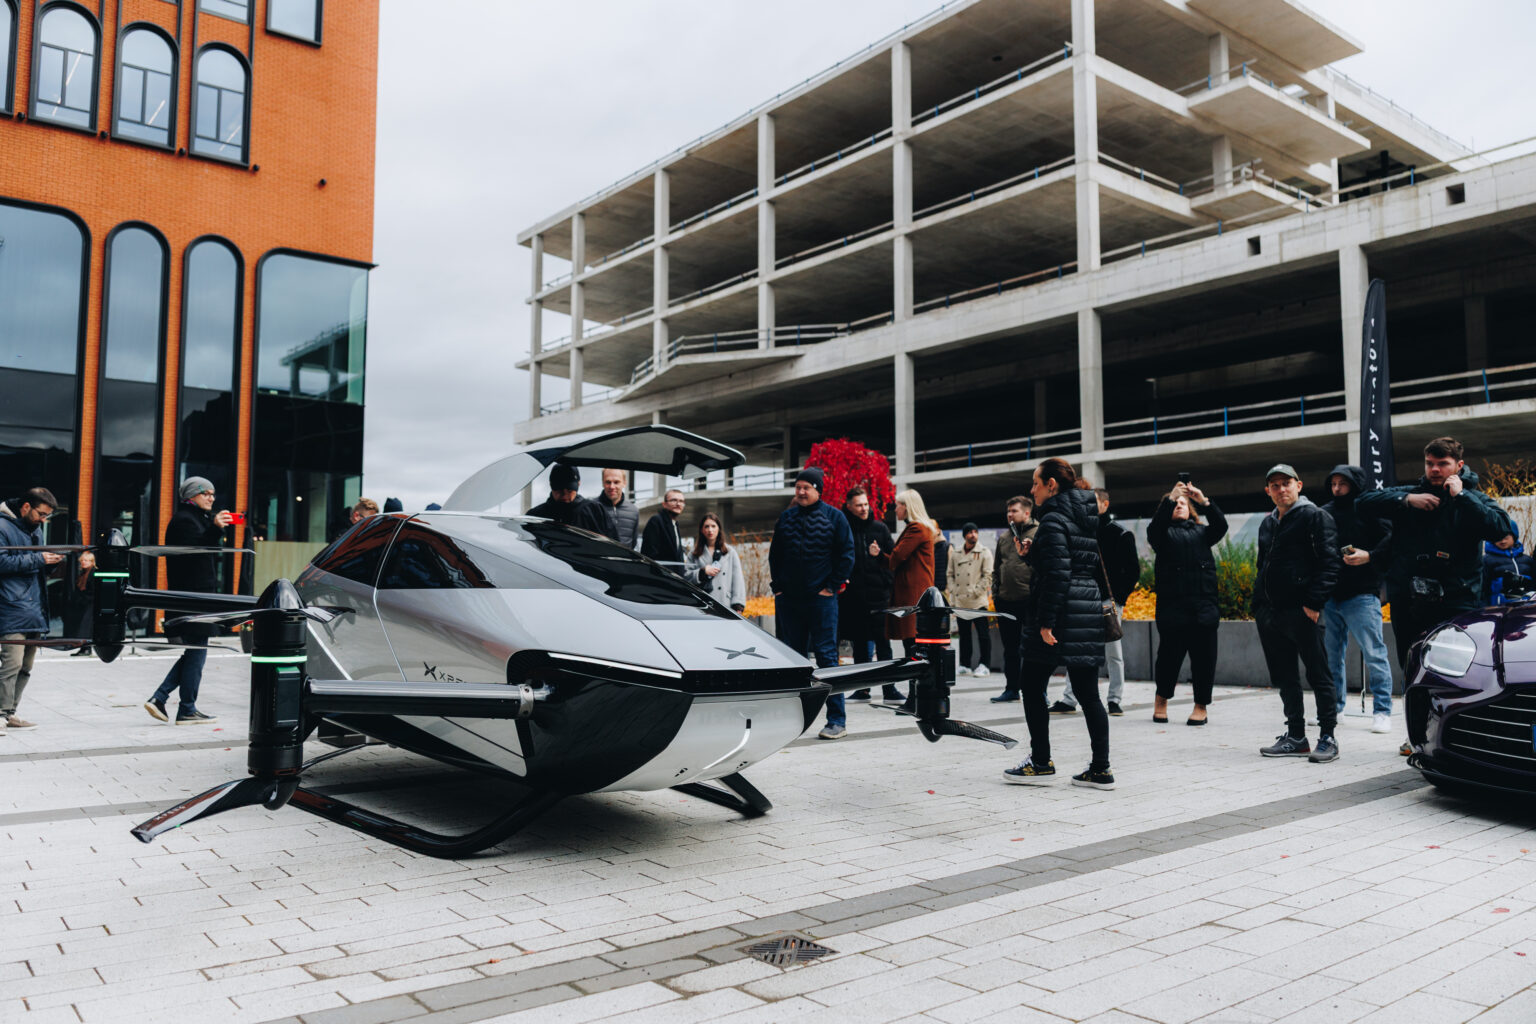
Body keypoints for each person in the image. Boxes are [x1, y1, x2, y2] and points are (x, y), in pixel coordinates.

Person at [1357, 437, 1513, 755]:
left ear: (1459, 465)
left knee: (1458, 671)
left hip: (1456, 601)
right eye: (1430, 463)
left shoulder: (1473, 497)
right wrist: (1406, 500)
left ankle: (1459, 737)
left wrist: (1461, 496)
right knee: (1413, 669)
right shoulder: (1412, 494)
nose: (1435, 470)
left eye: (1443, 464)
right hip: (1410, 601)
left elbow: (1501, 529)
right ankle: (1417, 736)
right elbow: (1363, 503)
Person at [1004, 458, 1113, 789]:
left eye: (1036, 483)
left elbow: (1057, 575)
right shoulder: (1084, 516)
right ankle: (1101, 769)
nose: (1032, 490)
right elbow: (1073, 562)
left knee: (1031, 685)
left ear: (1051, 485)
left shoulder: (1052, 519)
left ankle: (1040, 762)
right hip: (1086, 608)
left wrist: (1046, 622)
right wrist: (1033, 553)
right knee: (1088, 694)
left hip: (1060, 613)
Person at [1253, 464, 1341, 763]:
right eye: (1275, 485)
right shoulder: (1268, 523)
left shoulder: (1315, 516)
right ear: (1268, 491)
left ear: (1298, 485)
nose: (1281, 489)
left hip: (1302, 611)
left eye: (1286, 483)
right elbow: (1262, 565)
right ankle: (1296, 737)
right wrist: (1259, 605)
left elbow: (1330, 563)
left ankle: (1328, 737)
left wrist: (1313, 604)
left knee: (1319, 675)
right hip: (1270, 613)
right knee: (1285, 676)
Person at [769, 468, 855, 739]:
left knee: (827, 658)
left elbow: (847, 554)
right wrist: (778, 588)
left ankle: (837, 720)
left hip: (822, 602)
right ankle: (795, 721)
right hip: (790, 601)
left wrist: (831, 587)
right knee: (794, 661)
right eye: (798, 487)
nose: (801, 491)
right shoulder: (786, 518)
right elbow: (775, 555)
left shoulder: (835, 517)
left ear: (818, 490)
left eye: (806, 487)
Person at [0, 488, 90, 733]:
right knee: (11, 664)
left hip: (33, 608)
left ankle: (9, 712)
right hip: (10, 607)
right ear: (26, 507)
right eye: (41, 514)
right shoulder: (2, 526)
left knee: (26, 667)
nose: (44, 520)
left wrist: (52, 562)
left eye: (47, 516)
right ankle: (0, 713)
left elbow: (35, 567)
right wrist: (40, 560)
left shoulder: (36, 530)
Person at [145, 477, 230, 725]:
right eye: (206, 493)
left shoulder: (195, 518)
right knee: (197, 651)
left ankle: (163, 699)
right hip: (193, 596)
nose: (212, 498)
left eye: (213, 494)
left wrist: (214, 527)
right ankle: (185, 708)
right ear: (192, 495)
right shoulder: (184, 520)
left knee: (195, 651)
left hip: (197, 595)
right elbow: (194, 553)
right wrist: (215, 528)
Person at [1320, 465, 1395, 734]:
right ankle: (1334, 709)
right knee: (1331, 657)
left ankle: (1383, 711)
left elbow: (1391, 540)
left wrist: (1369, 556)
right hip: (1331, 594)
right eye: (1333, 483)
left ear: (1355, 484)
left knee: (1374, 654)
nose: (1337, 488)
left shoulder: (1369, 508)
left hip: (1363, 593)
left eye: (1342, 483)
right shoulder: (1324, 512)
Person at [1146, 481, 1228, 726]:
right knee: (1168, 660)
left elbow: (1221, 526)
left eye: (1183, 503)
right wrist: (1169, 499)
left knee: (1204, 661)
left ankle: (1200, 706)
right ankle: (1161, 700)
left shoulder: (1202, 532)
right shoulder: (1161, 534)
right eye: (1175, 503)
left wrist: (1204, 501)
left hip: (1204, 608)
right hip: (1173, 610)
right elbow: (1154, 530)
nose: (1179, 505)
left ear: (1190, 509)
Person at [1052, 487, 1137, 717]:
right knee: (1076, 649)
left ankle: (1114, 699)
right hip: (1082, 599)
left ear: (1105, 505)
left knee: (1113, 651)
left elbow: (1132, 571)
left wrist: (1118, 598)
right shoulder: (1081, 530)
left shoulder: (1120, 533)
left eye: (1094, 501)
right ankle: (1069, 698)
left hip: (1108, 601)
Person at [840, 487, 899, 702]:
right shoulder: (844, 529)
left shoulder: (880, 528)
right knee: (860, 647)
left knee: (884, 645)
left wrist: (886, 584)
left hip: (879, 598)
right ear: (849, 507)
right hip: (854, 599)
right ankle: (862, 690)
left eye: (866, 504)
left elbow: (893, 559)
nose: (864, 508)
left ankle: (889, 690)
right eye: (859, 505)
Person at [990, 496, 1036, 704]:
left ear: (1027, 512)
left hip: (1030, 600)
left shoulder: (1039, 532)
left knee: (1032, 649)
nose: (1010, 514)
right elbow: (997, 568)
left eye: (1014, 511)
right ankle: (1011, 689)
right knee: (1010, 648)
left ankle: (1036, 690)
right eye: (1008, 511)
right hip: (1006, 601)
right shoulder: (1004, 537)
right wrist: (996, 594)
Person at [889, 489, 938, 660]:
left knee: (912, 643)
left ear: (907, 506)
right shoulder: (920, 528)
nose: (895, 509)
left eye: (897, 505)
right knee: (913, 642)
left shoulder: (917, 528)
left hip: (913, 593)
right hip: (915, 591)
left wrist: (882, 556)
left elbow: (897, 556)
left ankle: (915, 677)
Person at [948, 522, 994, 678]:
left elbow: (988, 575)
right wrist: (954, 590)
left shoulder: (984, 552)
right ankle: (964, 664)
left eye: (975, 531)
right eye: (969, 532)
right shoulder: (956, 553)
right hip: (961, 600)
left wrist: (976, 591)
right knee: (964, 635)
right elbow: (950, 574)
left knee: (983, 634)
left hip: (978, 600)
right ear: (964, 535)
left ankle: (985, 665)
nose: (973, 534)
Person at [527, 463, 610, 535]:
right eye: (559, 490)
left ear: (579, 484)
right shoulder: (534, 516)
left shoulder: (595, 511)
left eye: (569, 490)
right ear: (551, 485)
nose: (564, 494)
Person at [686, 512, 745, 612]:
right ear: (702, 530)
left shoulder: (730, 552)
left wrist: (738, 604)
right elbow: (686, 576)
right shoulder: (693, 553)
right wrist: (702, 572)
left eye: (713, 526)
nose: (710, 530)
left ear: (719, 529)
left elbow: (737, 579)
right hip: (701, 604)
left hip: (725, 603)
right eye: (706, 526)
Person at [1483, 524, 1533, 603]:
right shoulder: (1486, 561)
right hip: (1498, 607)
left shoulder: (1527, 560)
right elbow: (1481, 589)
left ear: (1514, 537)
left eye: (1506, 537)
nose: (1502, 541)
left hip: (1527, 606)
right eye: (1498, 538)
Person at [641, 489, 687, 563]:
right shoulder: (656, 521)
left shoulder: (675, 524)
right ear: (664, 504)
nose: (678, 504)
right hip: (660, 569)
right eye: (674, 500)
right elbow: (650, 553)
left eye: (681, 501)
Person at [598, 468, 640, 549]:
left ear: (624, 483)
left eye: (616, 482)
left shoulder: (634, 511)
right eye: (608, 482)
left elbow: (633, 543)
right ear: (603, 483)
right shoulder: (591, 508)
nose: (612, 486)